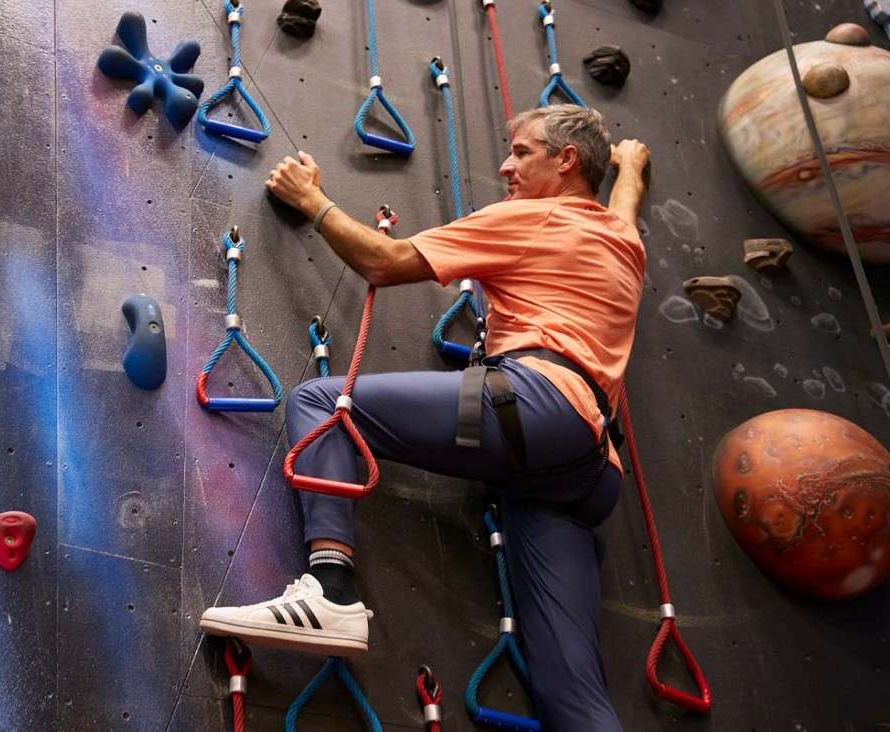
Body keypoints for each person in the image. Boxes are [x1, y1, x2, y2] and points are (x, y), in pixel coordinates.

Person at [199, 104, 649, 731]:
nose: (506, 164)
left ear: (566, 160)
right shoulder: (622, 240)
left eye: (522, 151)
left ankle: (330, 590)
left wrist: (314, 200)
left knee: (324, 404)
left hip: (534, 408)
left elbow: (385, 261)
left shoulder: (531, 218)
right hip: (586, 471)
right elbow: (624, 206)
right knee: (572, 692)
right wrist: (630, 168)